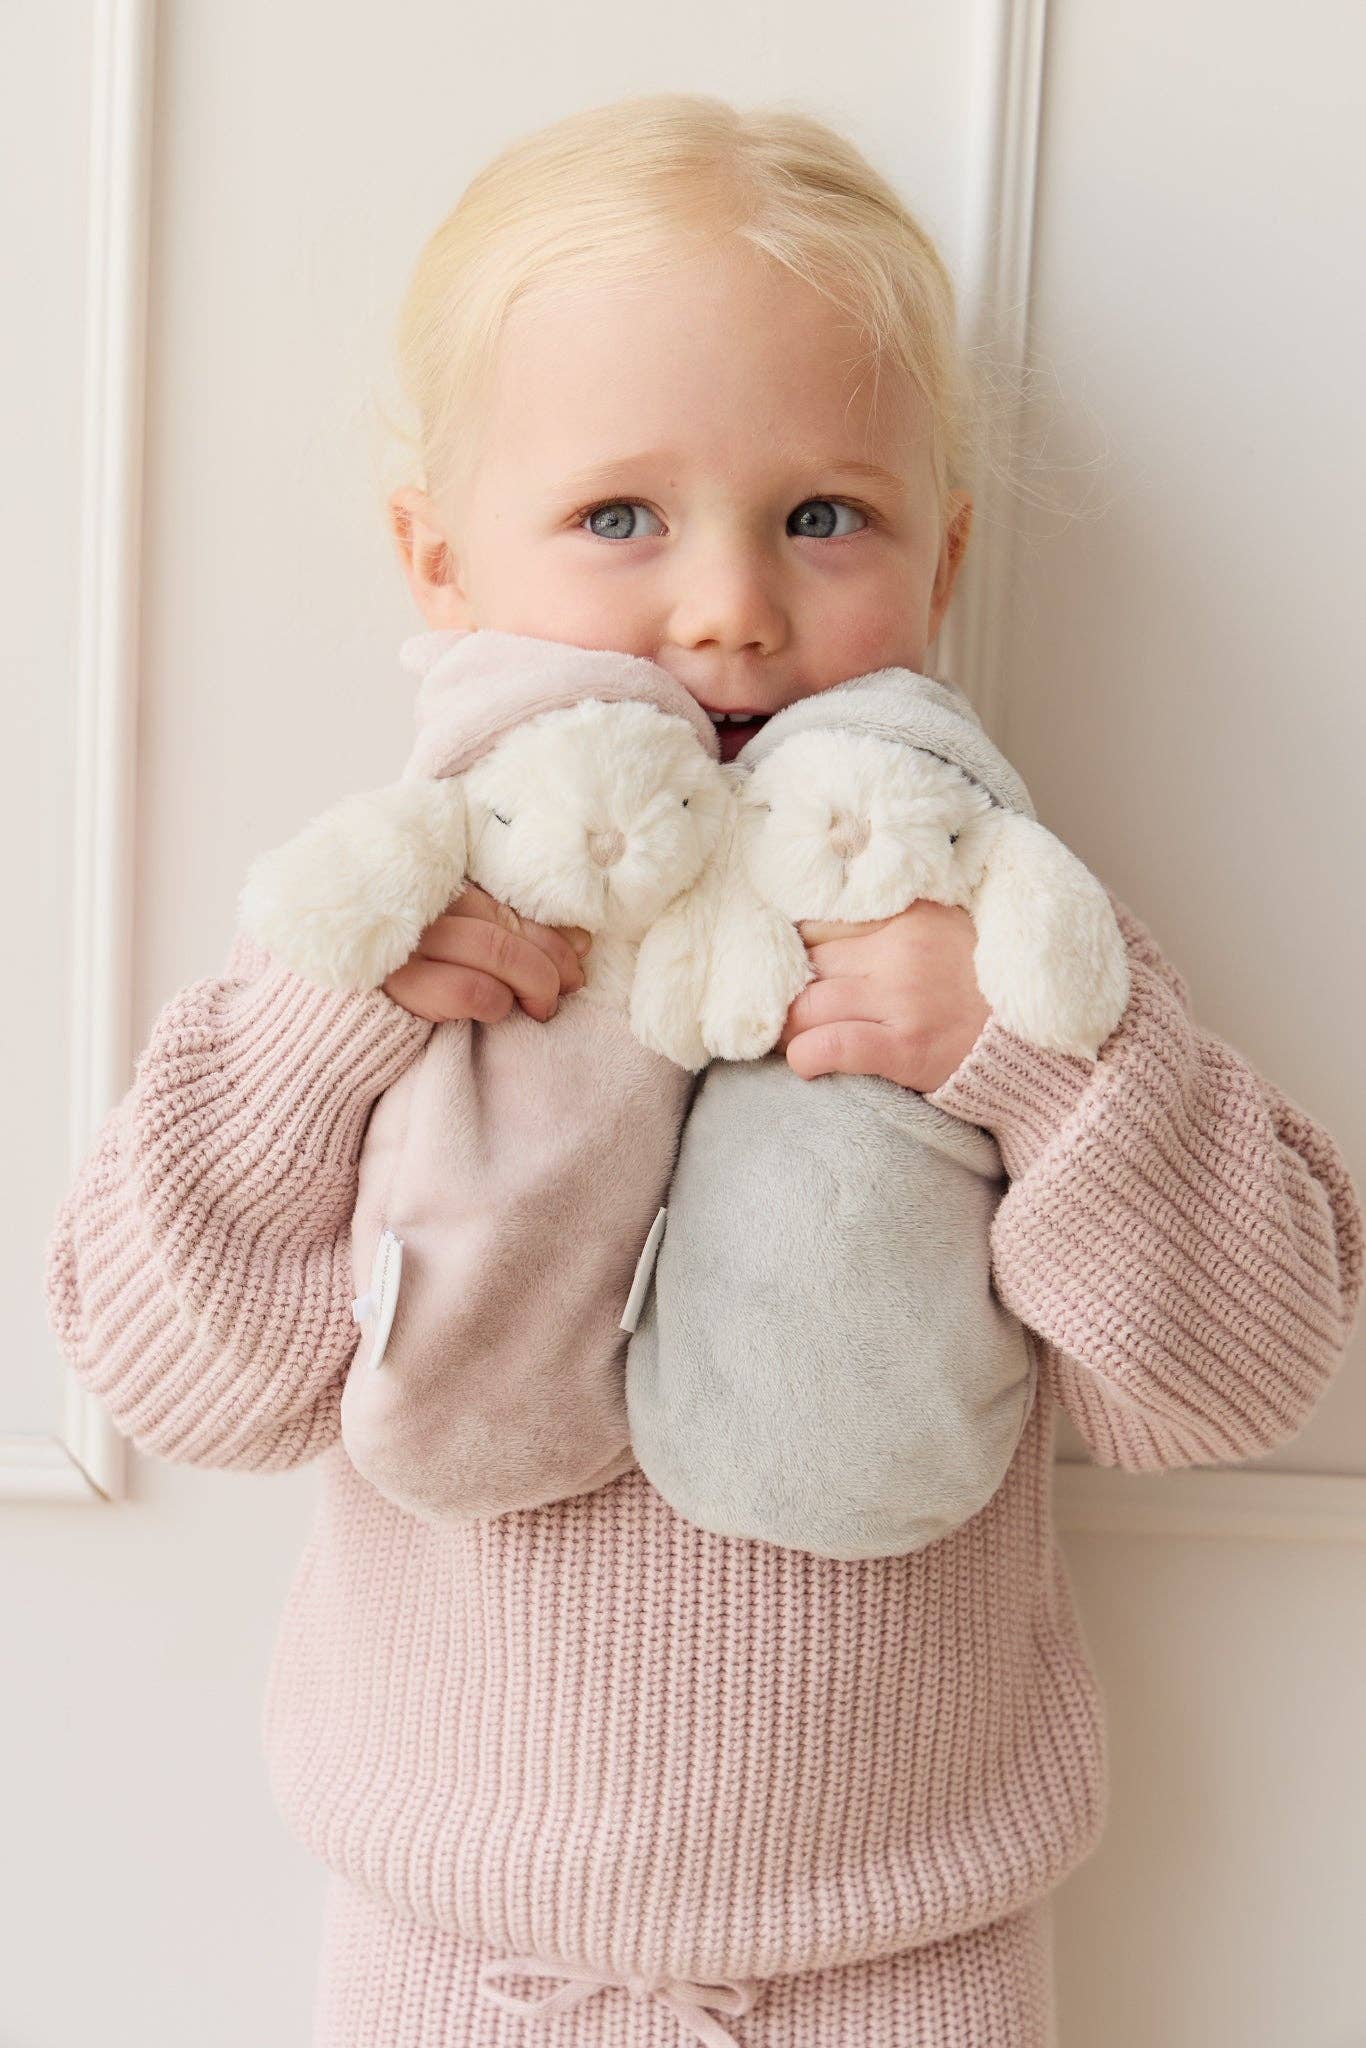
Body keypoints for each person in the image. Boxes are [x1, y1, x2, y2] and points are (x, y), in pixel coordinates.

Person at [43, 92, 1362, 2048]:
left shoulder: (982, 920)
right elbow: (175, 1380)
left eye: (822, 516)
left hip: (903, 1963)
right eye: (618, 518)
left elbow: (1235, 1374)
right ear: (435, 556)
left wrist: (1036, 1062)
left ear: (942, 552)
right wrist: (328, 1020)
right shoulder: (396, 919)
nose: (731, 606)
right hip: (452, 1959)